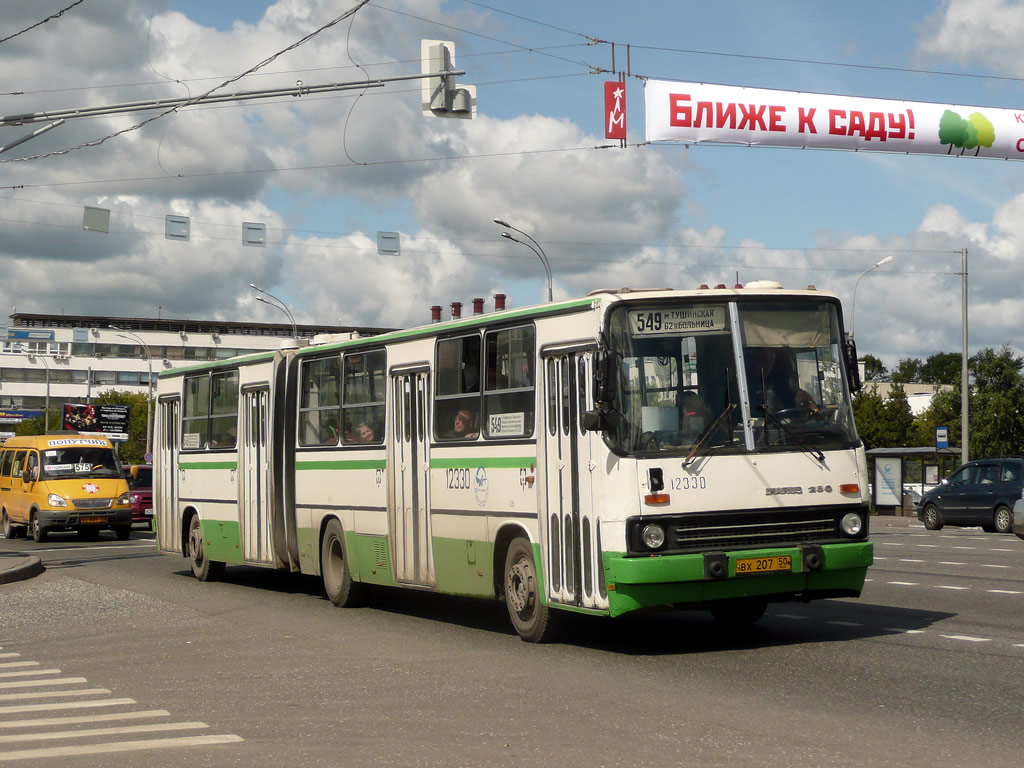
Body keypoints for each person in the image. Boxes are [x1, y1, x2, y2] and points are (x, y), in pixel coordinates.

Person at [746, 347, 818, 416]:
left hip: (780, 426)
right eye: (764, 359)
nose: (768, 364)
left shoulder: (777, 381)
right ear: (756, 360)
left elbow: (793, 395)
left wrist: (809, 402)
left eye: (772, 359)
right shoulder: (745, 383)